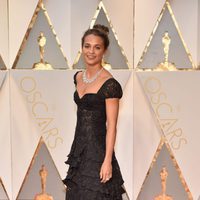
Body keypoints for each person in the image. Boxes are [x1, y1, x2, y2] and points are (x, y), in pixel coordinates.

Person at [63, 24, 125, 200]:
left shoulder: (110, 84)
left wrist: (107, 161)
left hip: (98, 154)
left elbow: (111, 126)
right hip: (79, 152)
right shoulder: (78, 77)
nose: (91, 51)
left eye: (97, 47)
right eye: (87, 46)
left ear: (104, 51)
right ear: (82, 48)